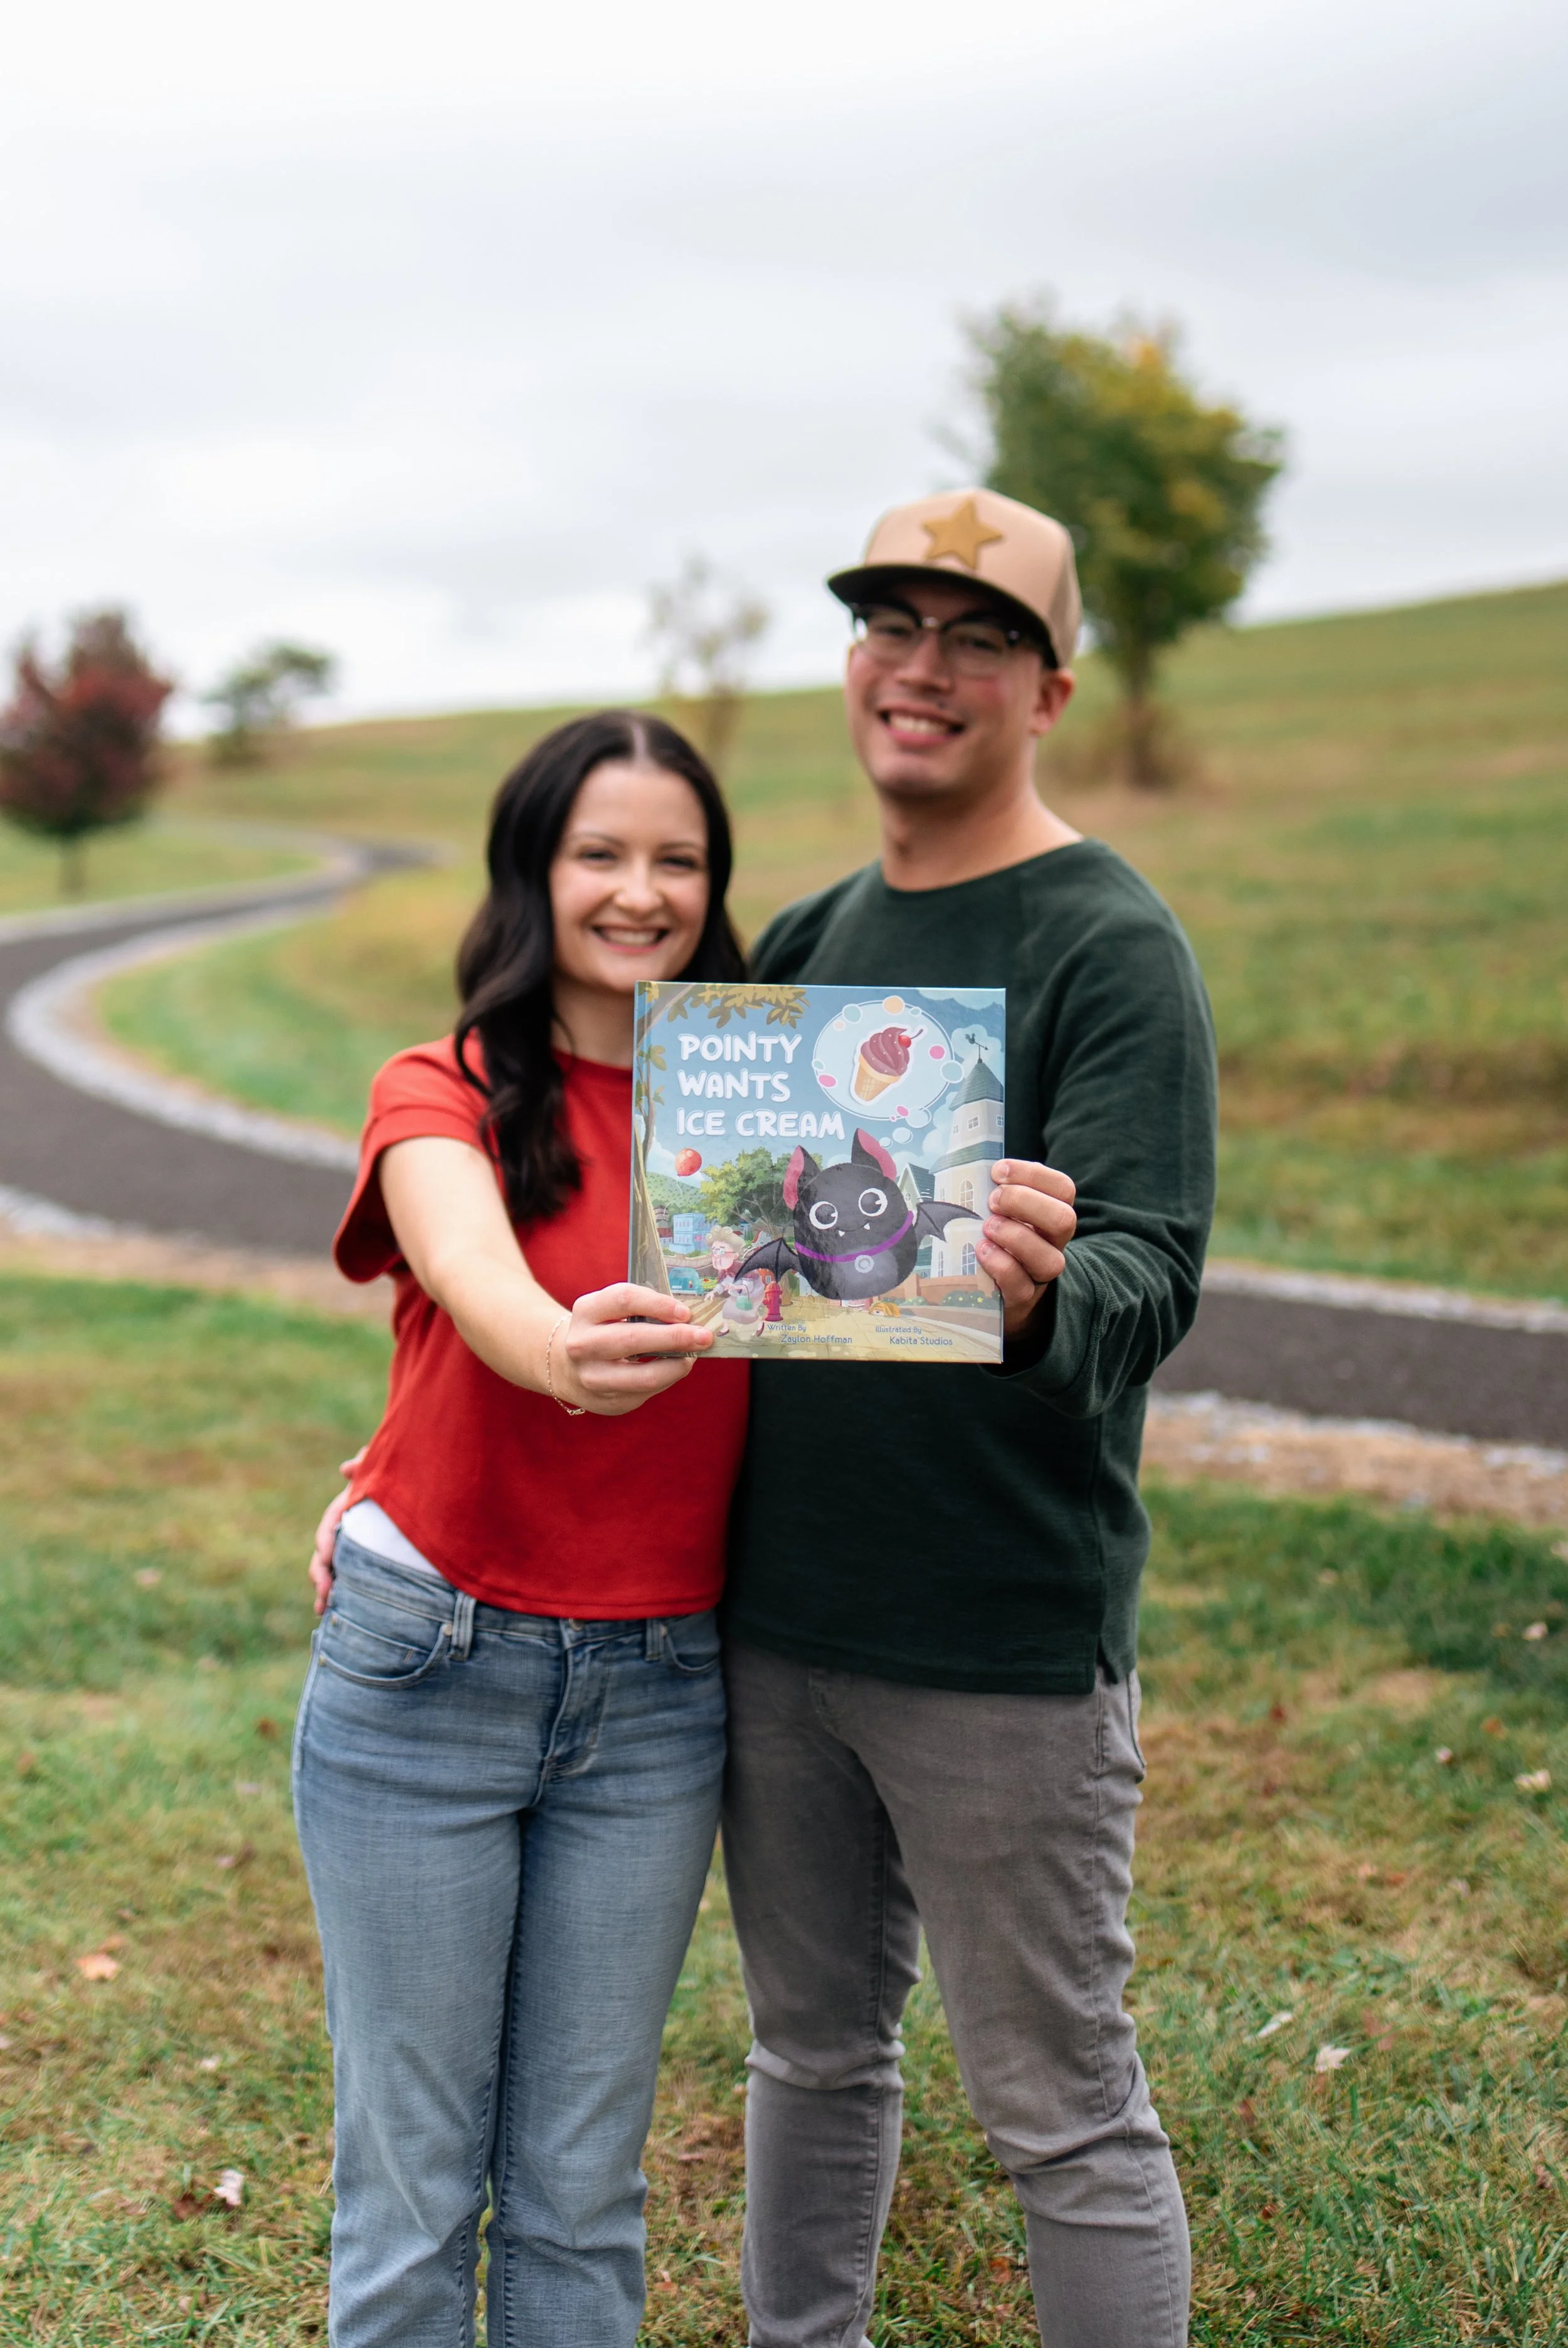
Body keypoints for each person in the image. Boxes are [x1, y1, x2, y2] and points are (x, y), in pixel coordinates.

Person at [719, 488, 1217, 2348]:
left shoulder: (1106, 943)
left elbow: (1150, 1274)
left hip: (997, 1639)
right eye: (888, 625)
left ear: (1049, 686)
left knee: (1061, 2112)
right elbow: (729, 1251)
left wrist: (1032, 1294)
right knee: (811, 2055)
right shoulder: (807, 932)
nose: (920, 669)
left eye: (976, 635)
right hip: (776, 1620)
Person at [293, 711, 750, 2348]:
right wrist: (564, 1352)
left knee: (579, 2195)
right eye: (600, 855)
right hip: (432, 1664)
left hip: (660, 1694)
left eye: (677, 859)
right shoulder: (441, 1086)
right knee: (413, 2196)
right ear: (533, 874)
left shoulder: (769, 1124)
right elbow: (475, 1276)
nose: (640, 891)